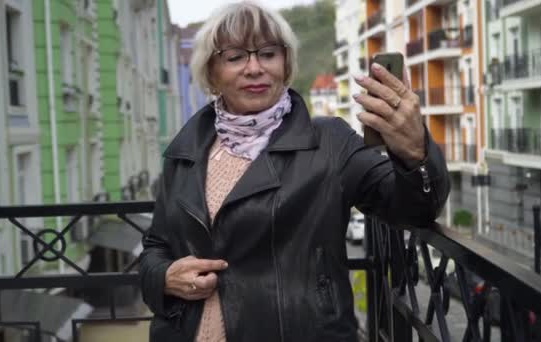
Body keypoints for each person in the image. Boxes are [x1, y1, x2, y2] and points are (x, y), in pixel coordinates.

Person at [139, 2, 450, 341]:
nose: (255, 68)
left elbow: (415, 209)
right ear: (211, 72)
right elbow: (157, 244)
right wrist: (164, 277)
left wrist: (414, 153)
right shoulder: (186, 151)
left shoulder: (330, 142)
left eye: (268, 54)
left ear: (285, 64)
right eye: (235, 57)